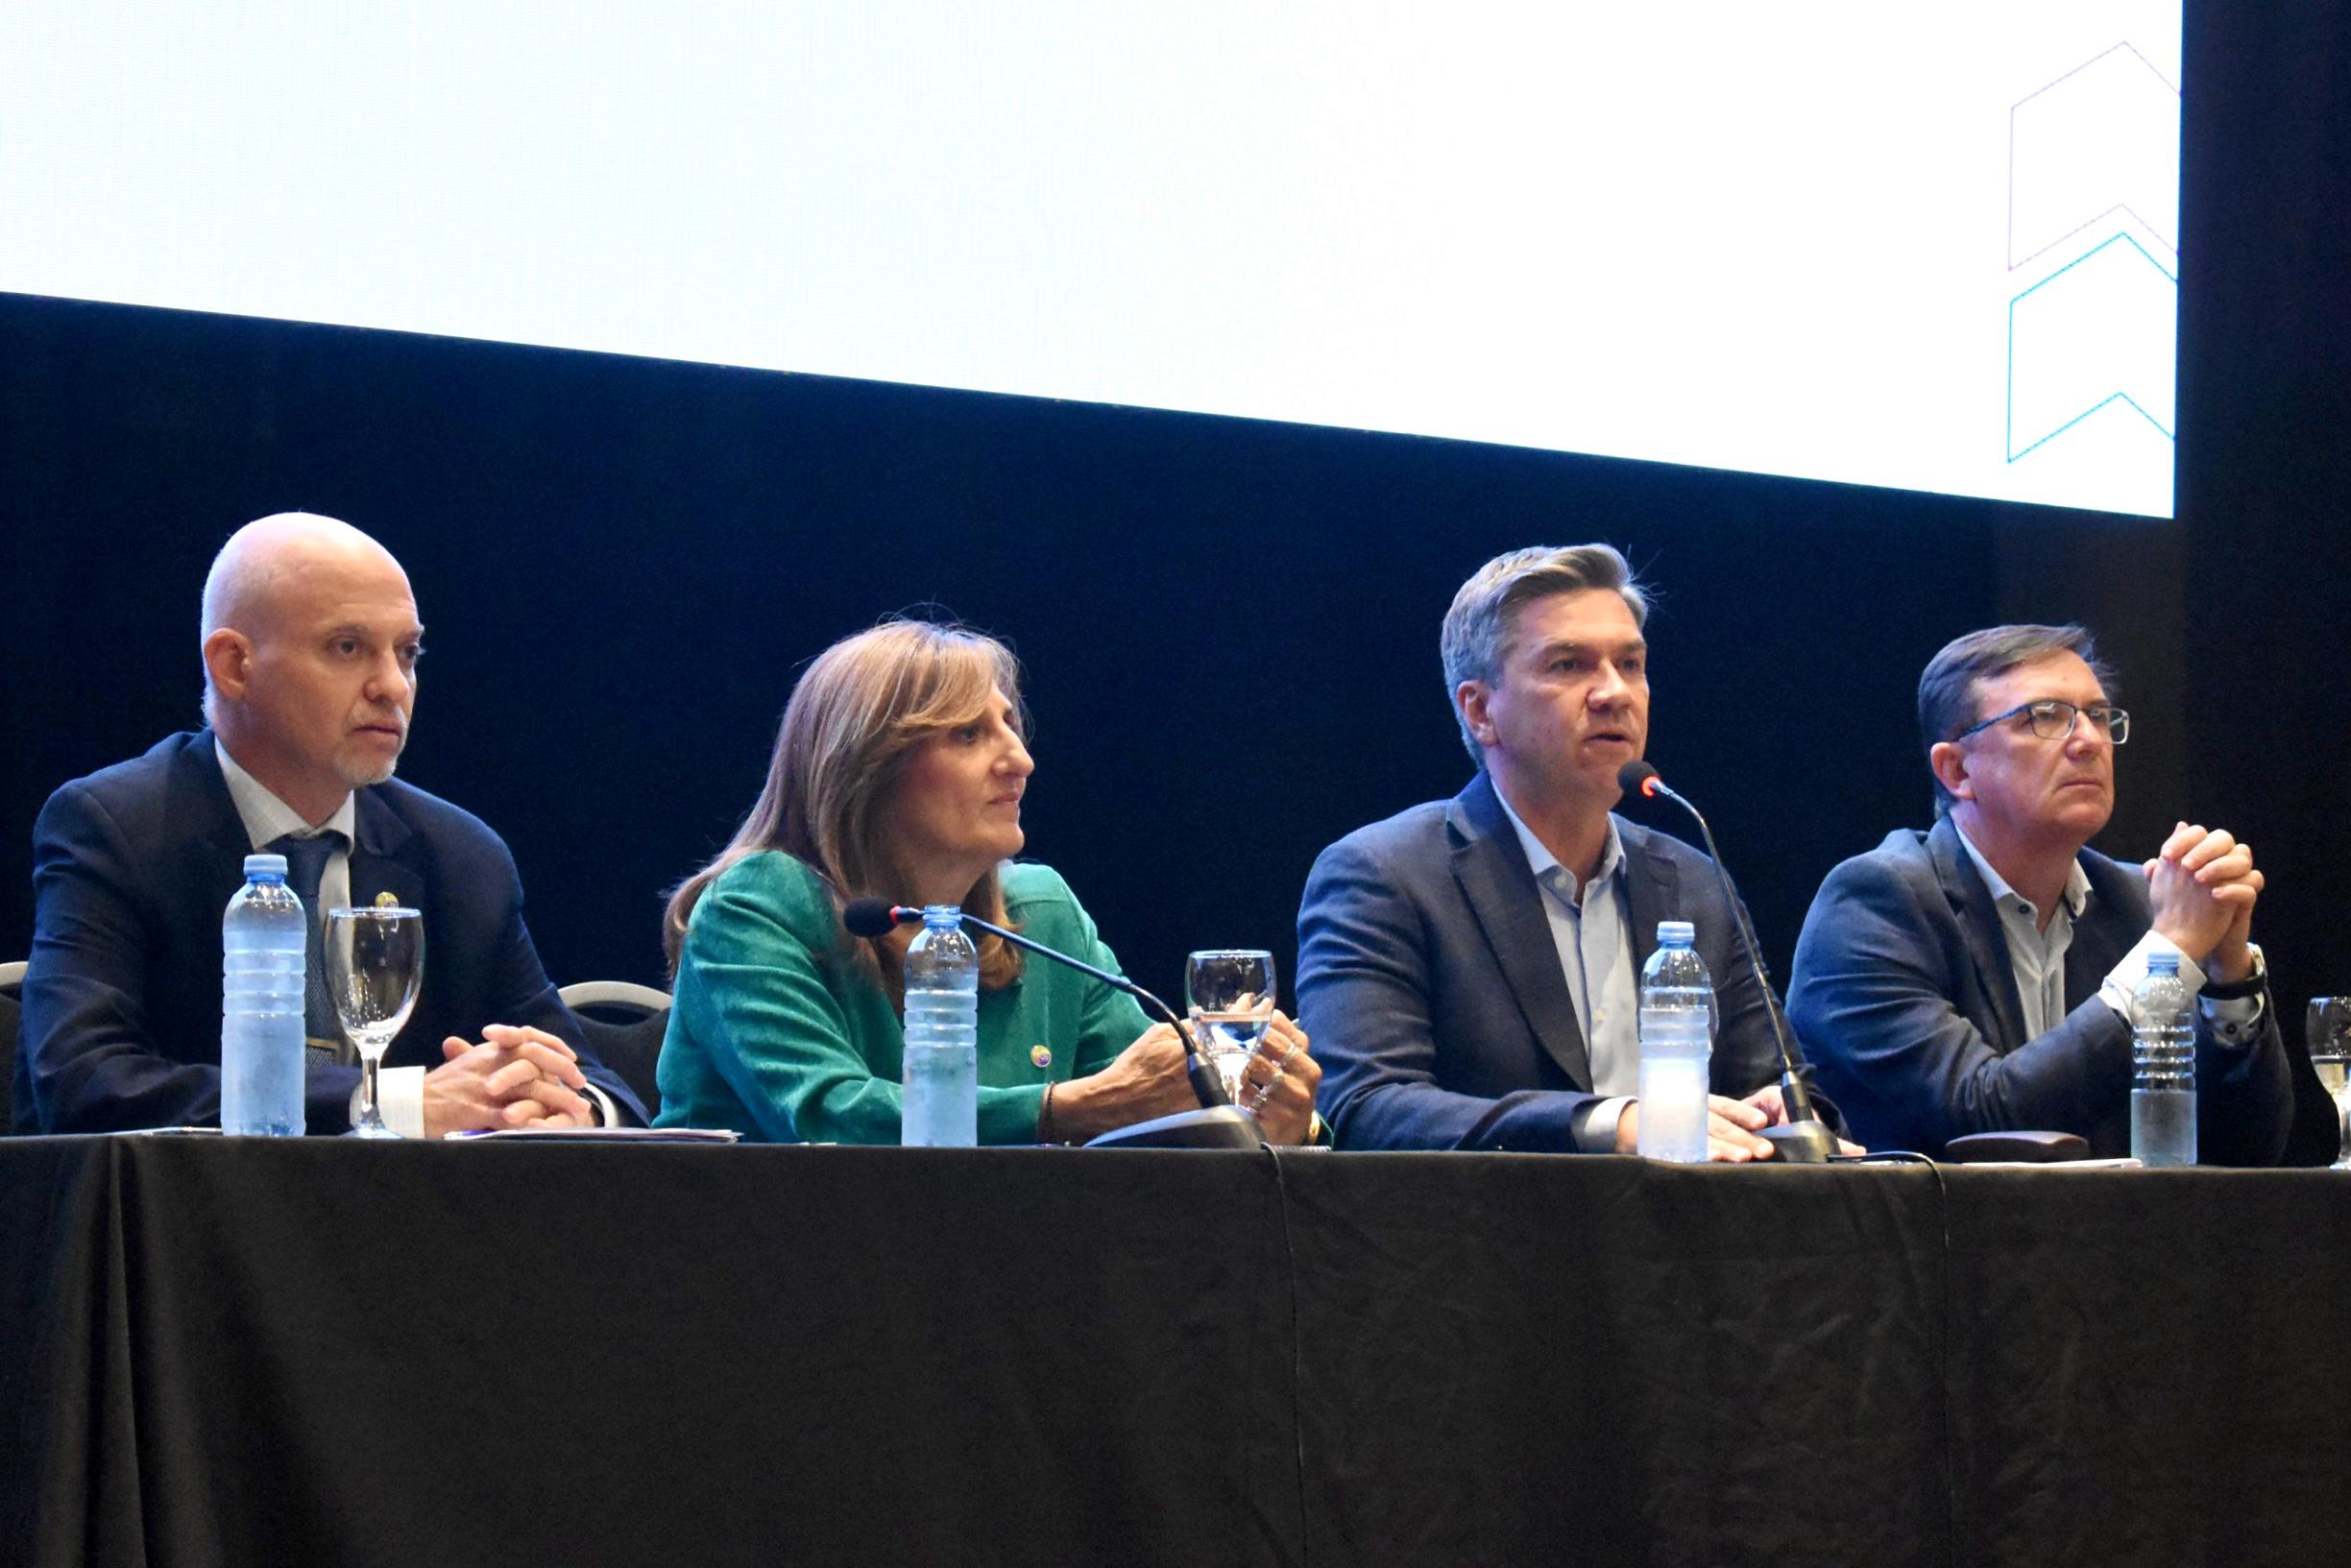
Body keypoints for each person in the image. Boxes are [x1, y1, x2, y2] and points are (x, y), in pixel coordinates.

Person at [15, 513, 642, 1136]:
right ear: (235, 665)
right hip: (183, 1226)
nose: (393, 686)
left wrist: (566, 1107)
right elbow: (84, 1083)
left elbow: (594, 1082)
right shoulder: (117, 829)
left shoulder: (460, 855)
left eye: (408, 652)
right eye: (347, 647)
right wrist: (388, 1101)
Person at [653, 618, 1321, 1146]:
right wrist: (1066, 1108)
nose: (1020, 760)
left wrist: (1261, 1118)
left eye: (1011, 726)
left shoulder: (1043, 911)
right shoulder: (756, 908)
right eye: (970, 733)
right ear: (866, 767)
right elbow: (827, 1118)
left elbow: (1152, 1109)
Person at [1296, 543, 1845, 1158]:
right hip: (1488, 1245)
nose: (1615, 692)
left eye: (1631, 664)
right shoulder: (1385, 875)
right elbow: (1365, 1108)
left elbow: (1793, 1092)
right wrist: (1608, 1123)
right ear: (1479, 710)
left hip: (1690, 1244)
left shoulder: (1694, 880)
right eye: (1568, 665)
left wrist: (1779, 1114)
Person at [1785, 624, 2291, 1161]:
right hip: (1932, 1239)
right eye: (2045, 717)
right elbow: (1983, 1120)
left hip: (2115, 1239)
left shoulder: (2134, 904)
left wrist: (2227, 976)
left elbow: (2249, 1154)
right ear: (1957, 770)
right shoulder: (1876, 903)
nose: (2090, 741)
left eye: (2098, 715)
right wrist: (2168, 953)